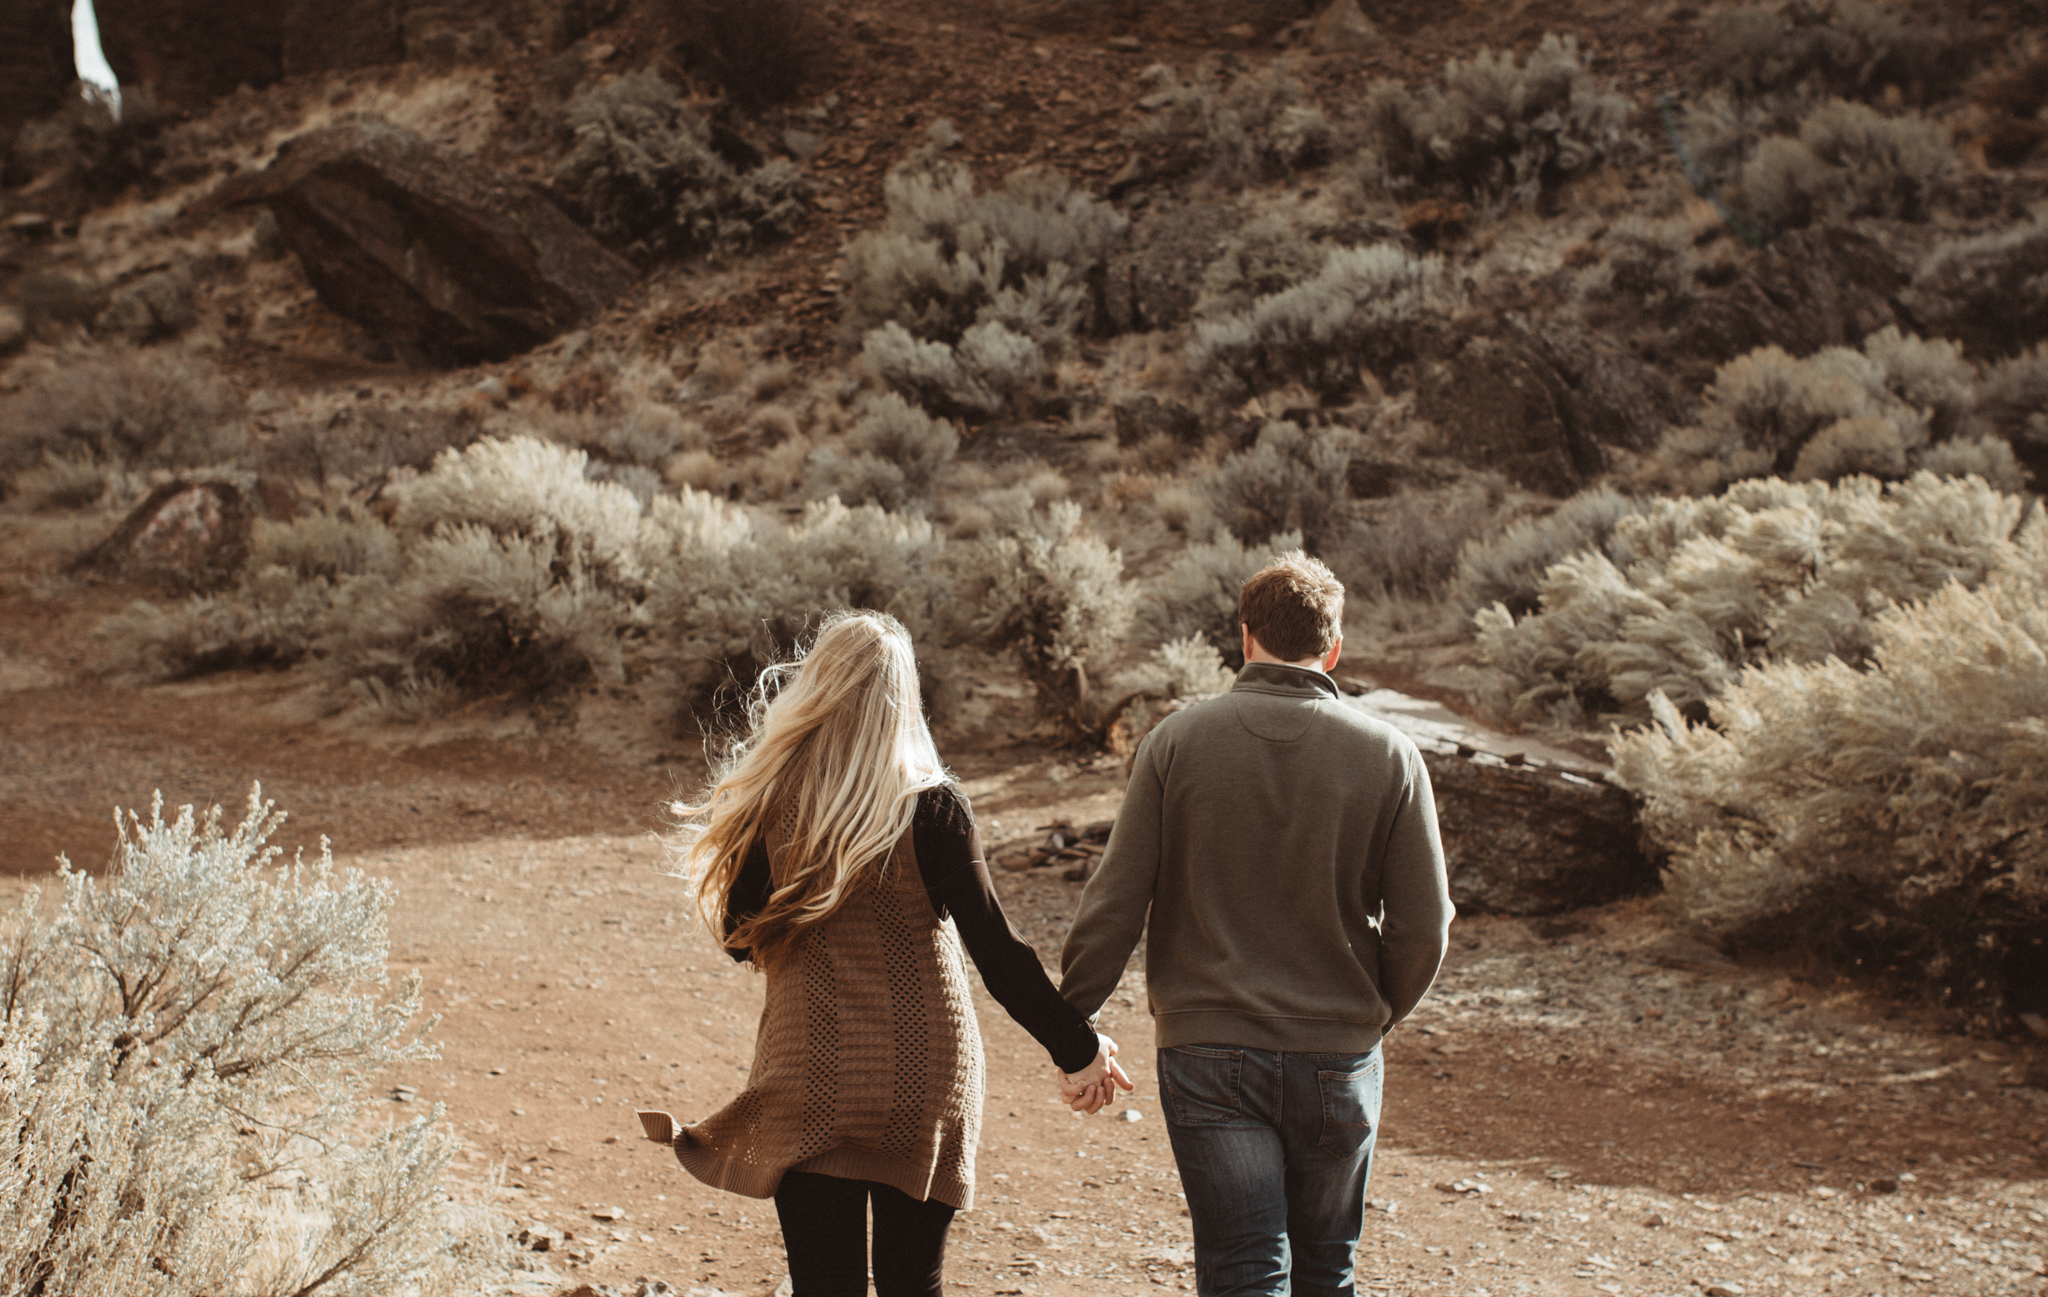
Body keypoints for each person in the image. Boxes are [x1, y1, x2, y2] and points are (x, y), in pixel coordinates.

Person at [665, 610, 1131, 1297]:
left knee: (827, 1287)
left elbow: (739, 937)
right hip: (924, 1079)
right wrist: (1079, 1050)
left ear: (817, 690)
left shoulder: (775, 806)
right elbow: (997, 953)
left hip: (811, 1070)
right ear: (903, 698)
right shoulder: (935, 808)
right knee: (916, 1284)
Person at [1058, 552, 1453, 1297]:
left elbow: (1115, 899)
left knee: (1242, 1270)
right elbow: (1424, 923)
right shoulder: (1391, 755)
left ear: (1244, 638)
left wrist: (1073, 1022)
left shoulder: (1176, 742)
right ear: (1332, 647)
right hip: (1338, 1052)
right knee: (1326, 1270)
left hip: (1209, 1052)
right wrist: (1370, 1016)